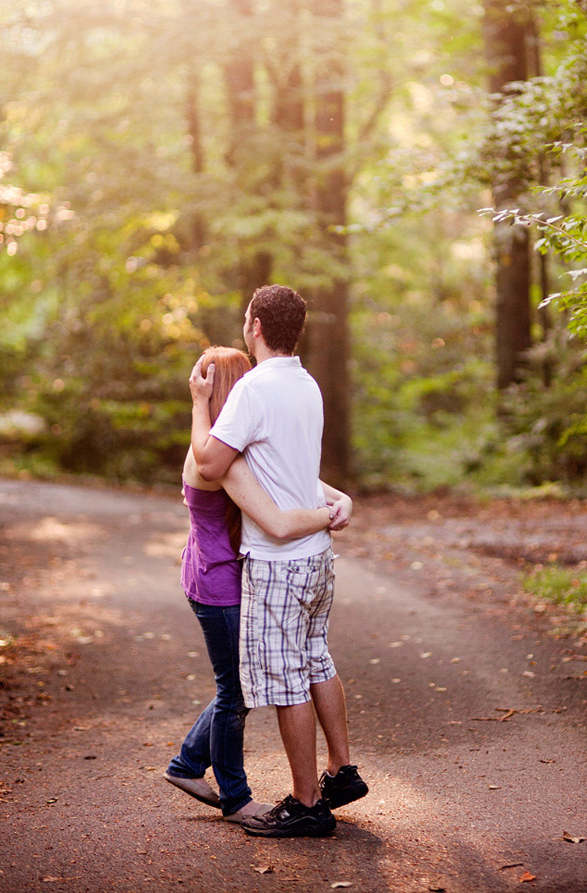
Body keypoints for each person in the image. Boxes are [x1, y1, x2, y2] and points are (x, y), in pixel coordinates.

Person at [190, 285, 367, 838]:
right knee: (316, 658)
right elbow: (292, 467)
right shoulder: (306, 383)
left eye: (246, 318)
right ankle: (341, 771)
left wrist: (199, 404)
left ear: (256, 326)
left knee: (288, 680)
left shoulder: (254, 389)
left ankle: (306, 803)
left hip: (278, 559)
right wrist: (334, 503)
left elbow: (211, 460)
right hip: (317, 558)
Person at [165, 345, 350, 825]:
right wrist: (328, 514)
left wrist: (335, 494)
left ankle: (187, 763)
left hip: (219, 575)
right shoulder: (220, 463)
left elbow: (283, 475)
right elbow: (273, 513)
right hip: (218, 584)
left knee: (236, 688)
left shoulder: (230, 448)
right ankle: (236, 797)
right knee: (236, 694)